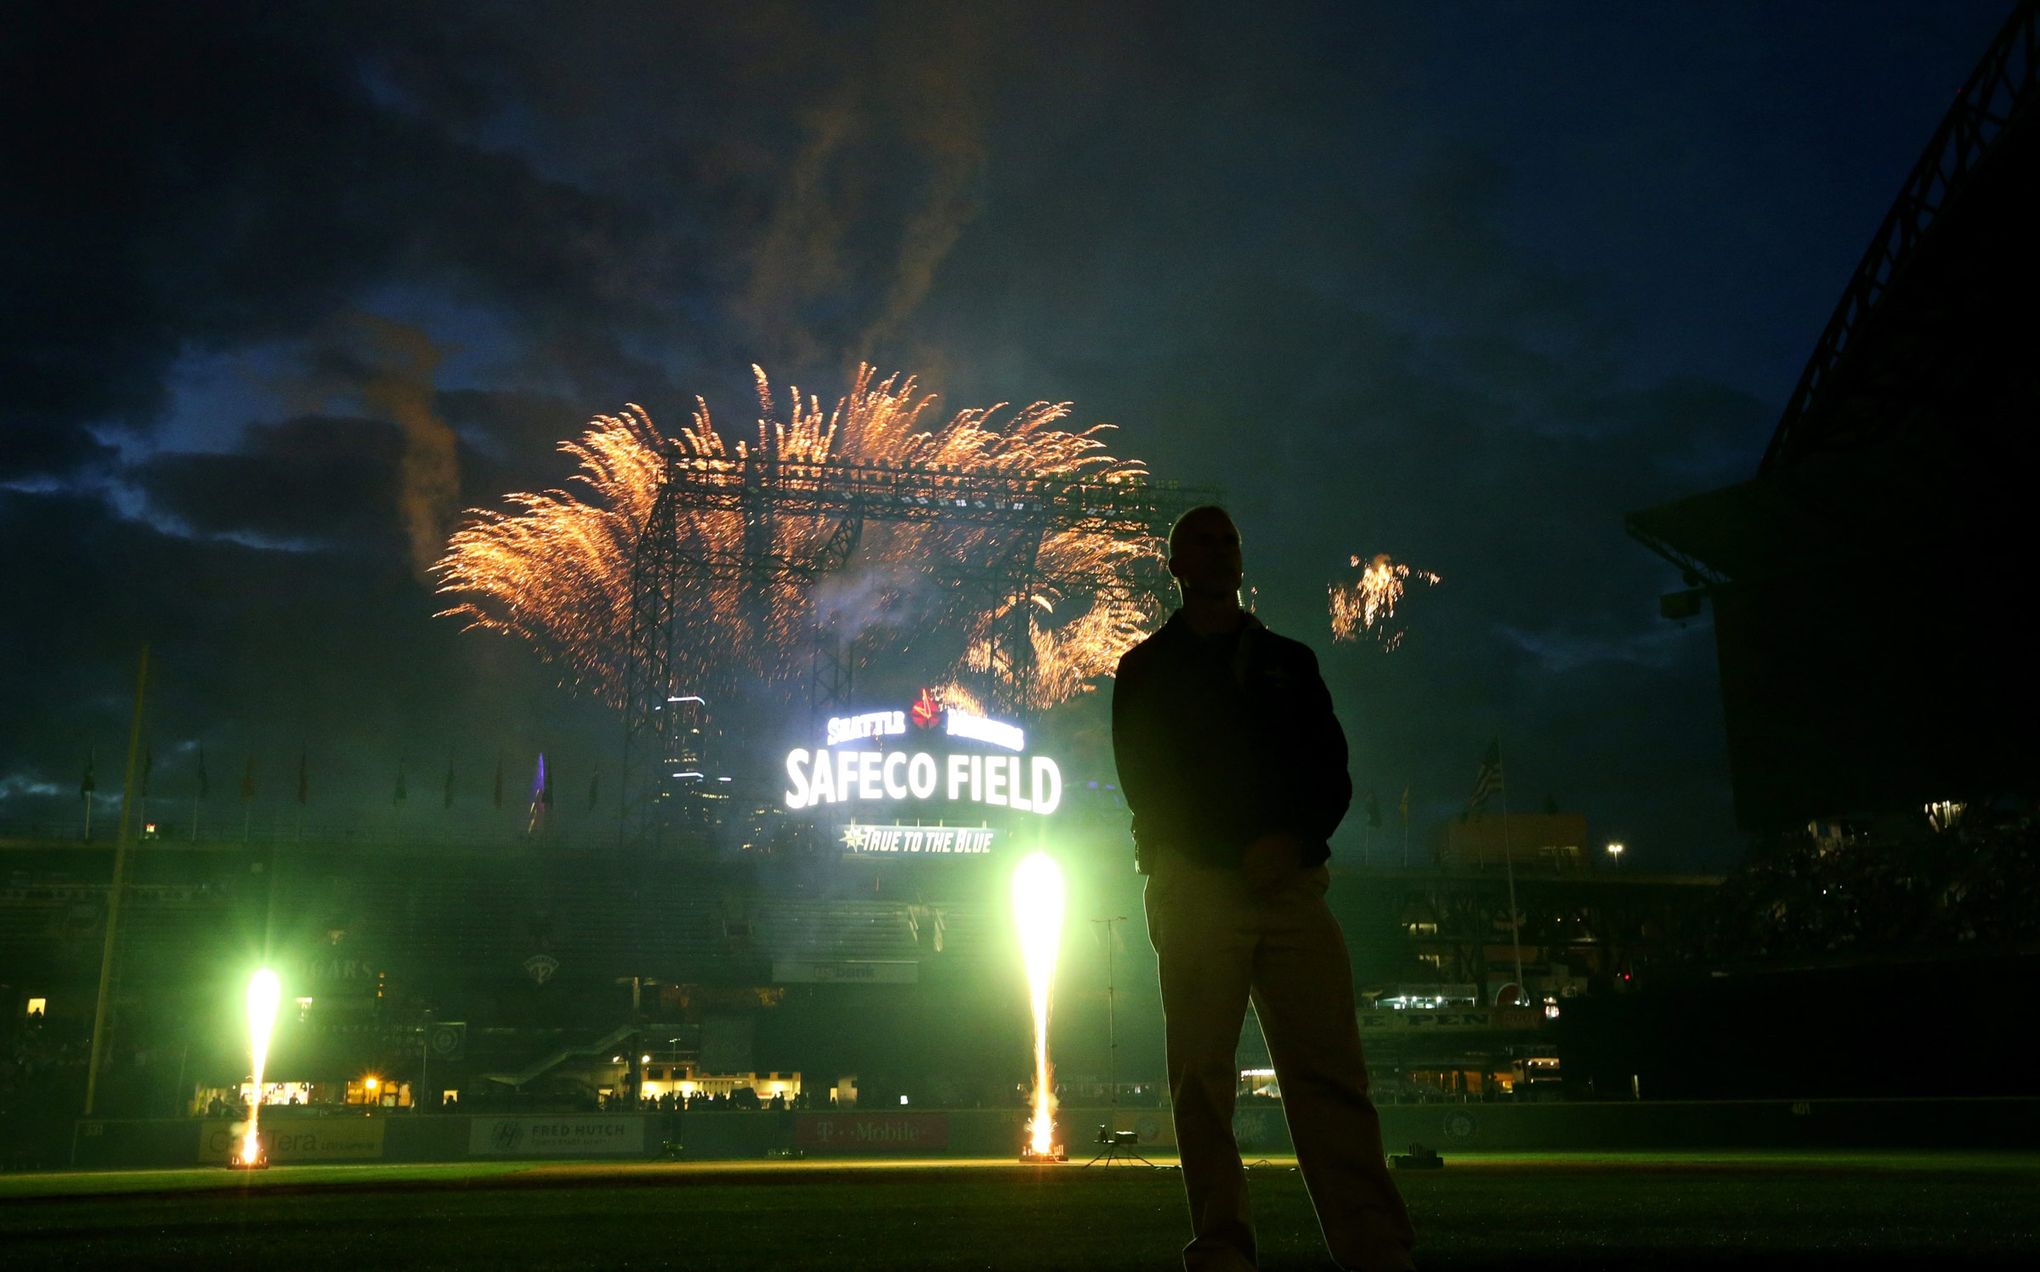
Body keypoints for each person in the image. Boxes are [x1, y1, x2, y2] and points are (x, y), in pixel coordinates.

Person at [1112, 505, 1414, 1272]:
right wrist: (1248, 848)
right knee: (1203, 1080)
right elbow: (1147, 784)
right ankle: (1222, 1249)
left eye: (1227, 542)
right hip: (1205, 885)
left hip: (1285, 888)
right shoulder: (1146, 666)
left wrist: (1293, 845)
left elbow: (1331, 772)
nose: (1217, 553)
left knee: (1329, 1075)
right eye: (1201, 543)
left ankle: (1371, 1247)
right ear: (1175, 565)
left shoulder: (1290, 659)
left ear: (1239, 562)